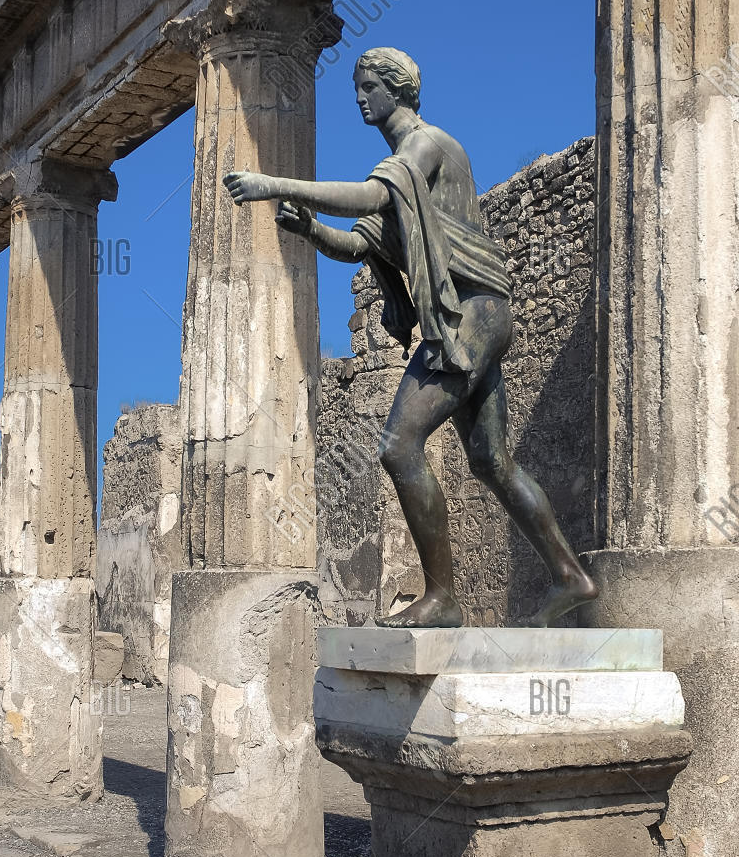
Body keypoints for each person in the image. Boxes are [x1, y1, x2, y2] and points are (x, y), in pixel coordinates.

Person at [223, 46, 597, 628]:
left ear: (397, 89)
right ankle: (570, 576)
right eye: (358, 85)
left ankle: (442, 596)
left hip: (470, 314)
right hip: (476, 316)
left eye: (368, 85)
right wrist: (312, 229)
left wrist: (273, 183)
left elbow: (372, 198)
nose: (358, 96)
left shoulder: (426, 147)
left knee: (398, 445)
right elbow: (361, 242)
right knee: (492, 463)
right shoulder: (405, 175)